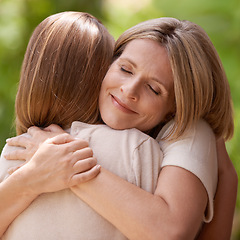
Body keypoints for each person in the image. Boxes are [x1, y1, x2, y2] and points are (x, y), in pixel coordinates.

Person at [0, 14, 237, 240]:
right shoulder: (57, 131)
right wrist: (30, 178)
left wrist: (66, 160)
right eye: (125, 69)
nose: (129, 90)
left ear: (174, 111)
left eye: (154, 89)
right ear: (108, 63)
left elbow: (170, 232)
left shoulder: (190, 131)